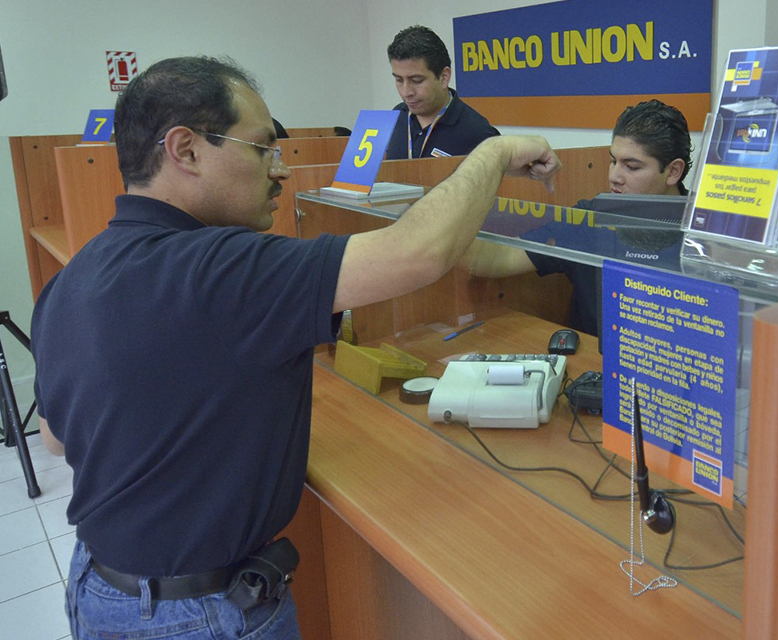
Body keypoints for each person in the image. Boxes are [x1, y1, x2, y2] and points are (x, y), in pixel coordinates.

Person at [31, 56, 559, 639]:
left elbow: (57, 439)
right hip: (199, 614)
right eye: (261, 149)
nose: (280, 170)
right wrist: (496, 152)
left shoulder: (71, 278)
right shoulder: (221, 268)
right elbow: (420, 253)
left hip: (98, 590)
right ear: (185, 150)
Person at [462, 99, 692, 336]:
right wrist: (490, 163)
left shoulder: (709, 232)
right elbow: (492, 259)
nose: (614, 176)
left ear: (673, 171)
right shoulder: (588, 219)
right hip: (596, 365)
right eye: (613, 161)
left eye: (631, 167)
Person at [385, 25, 499, 160]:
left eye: (416, 80)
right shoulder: (395, 116)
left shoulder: (480, 135)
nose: (406, 92)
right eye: (399, 80)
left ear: (444, 77)